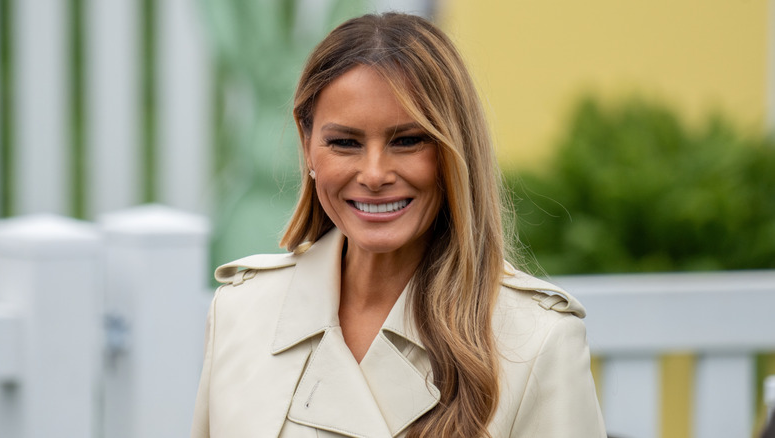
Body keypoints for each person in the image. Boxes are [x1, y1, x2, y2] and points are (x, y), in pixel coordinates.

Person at [191, 12, 606, 438]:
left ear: (454, 150)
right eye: (345, 143)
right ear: (307, 145)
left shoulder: (538, 342)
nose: (374, 174)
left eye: (407, 140)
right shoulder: (240, 312)